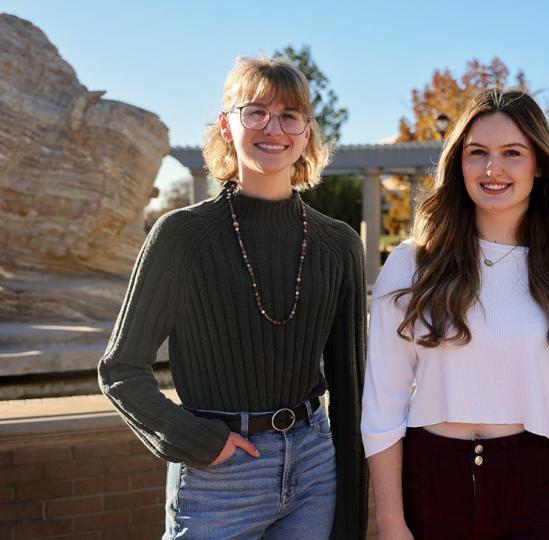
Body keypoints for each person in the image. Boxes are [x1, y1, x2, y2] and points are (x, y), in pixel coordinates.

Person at [98, 57, 367, 539]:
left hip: (314, 468)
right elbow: (121, 369)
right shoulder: (182, 236)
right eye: (256, 112)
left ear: (306, 132)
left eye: (289, 116)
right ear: (226, 124)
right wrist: (194, 440)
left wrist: (352, 511)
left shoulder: (339, 244)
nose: (273, 128)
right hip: (217, 475)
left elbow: (351, 392)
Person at [361, 88, 549, 540]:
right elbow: (383, 403)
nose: (492, 169)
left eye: (512, 153)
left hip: (535, 486)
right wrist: (390, 522)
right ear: (458, 163)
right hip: (430, 481)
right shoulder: (412, 264)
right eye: (477, 153)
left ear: (539, 165)